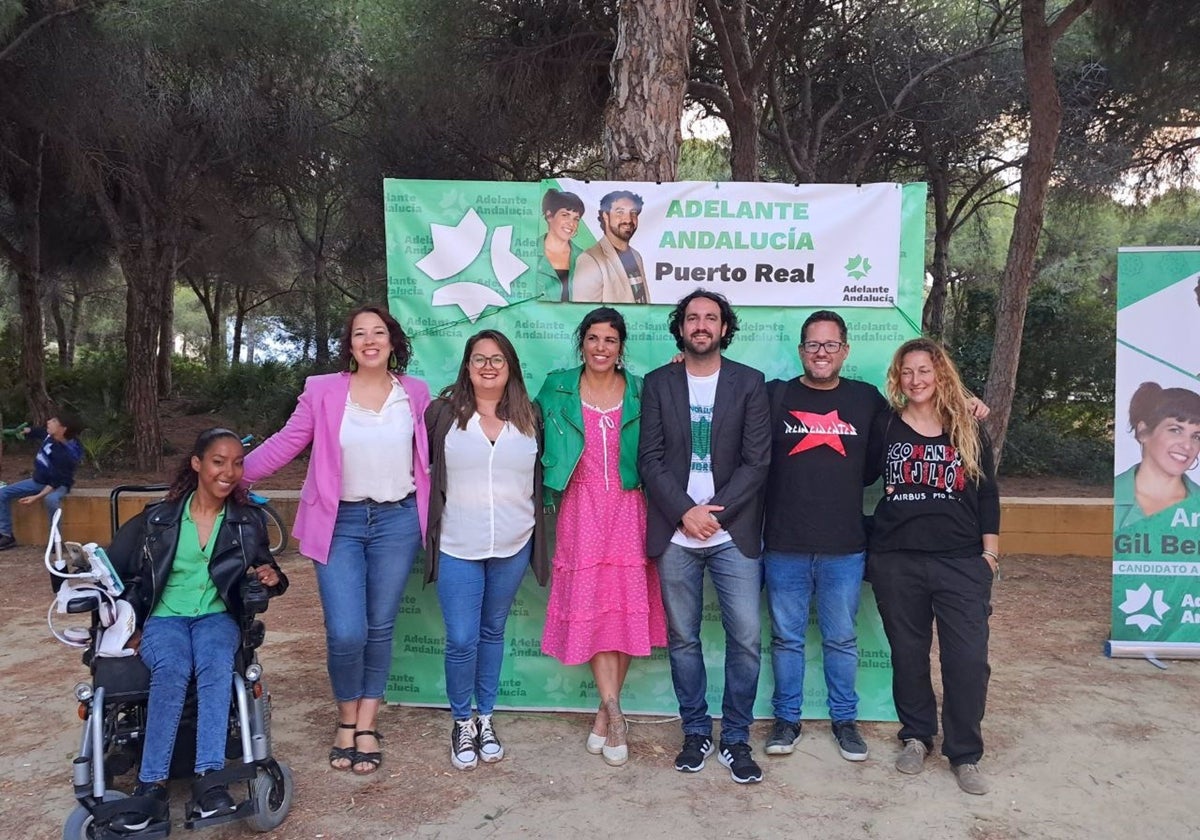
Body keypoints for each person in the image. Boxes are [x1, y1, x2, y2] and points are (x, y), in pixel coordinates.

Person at [243, 305, 430, 775]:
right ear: (350, 345)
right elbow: (286, 443)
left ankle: (366, 721)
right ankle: (345, 715)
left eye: (379, 332)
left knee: (381, 626)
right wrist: (226, 477)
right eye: (360, 334)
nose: (370, 340)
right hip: (339, 523)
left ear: (393, 341)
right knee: (347, 631)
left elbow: (438, 452)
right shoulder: (323, 391)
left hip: (398, 521)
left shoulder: (416, 393)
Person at [106, 428, 287, 831]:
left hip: (216, 616)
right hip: (165, 617)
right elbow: (115, 571)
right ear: (197, 464)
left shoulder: (246, 521)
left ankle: (209, 781)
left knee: (214, 661)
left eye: (237, 463)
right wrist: (125, 620)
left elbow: (267, 571)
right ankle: (150, 785)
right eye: (219, 462)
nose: (229, 471)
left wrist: (269, 575)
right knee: (171, 667)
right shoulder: (158, 518)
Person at [637, 290, 771, 785]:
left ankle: (736, 738)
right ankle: (695, 731)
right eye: (692, 317)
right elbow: (648, 458)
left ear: (723, 328)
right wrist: (684, 513)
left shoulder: (749, 383)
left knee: (747, 640)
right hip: (676, 535)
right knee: (683, 639)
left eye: (710, 318)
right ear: (681, 327)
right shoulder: (658, 383)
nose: (701, 325)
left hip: (731, 532)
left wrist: (712, 515)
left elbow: (758, 461)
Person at [866, 337, 1000, 796]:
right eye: (907, 372)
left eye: (924, 370)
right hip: (896, 560)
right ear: (897, 378)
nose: (916, 379)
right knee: (908, 654)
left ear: (940, 374)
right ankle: (917, 735)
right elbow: (856, 473)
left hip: (961, 561)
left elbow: (987, 493)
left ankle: (964, 753)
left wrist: (990, 554)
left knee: (966, 661)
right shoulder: (884, 424)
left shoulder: (967, 423)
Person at [536, 307, 668, 767]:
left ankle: (605, 715)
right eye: (593, 338)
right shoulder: (556, 386)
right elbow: (523, 426)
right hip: (580, 507)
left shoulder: (641, 389)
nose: (600, 348)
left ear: (621, 346)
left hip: (631, 506)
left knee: (624, 609)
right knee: (594, 607)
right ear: (582, 342)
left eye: (610, 340)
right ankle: (616, 712)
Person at [760, 311, 887, 763]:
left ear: (845, 351)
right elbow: (720, 396)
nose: (821, 353)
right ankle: (786, 720)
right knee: (787, 640)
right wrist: (682, 365)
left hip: (845, 546)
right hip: (783, 544)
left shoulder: (868, 400)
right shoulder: (775, 396)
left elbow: (912, 423)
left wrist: (966, 403)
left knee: (840, 640)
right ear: (801, 351)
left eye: (831, 345)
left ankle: (845, 722)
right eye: (813, 345)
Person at [425, 329, 549, 771]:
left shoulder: (531, 416)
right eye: (479, 359)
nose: (489, 366)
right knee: (462, 638)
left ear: (510, 365)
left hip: (514, 543)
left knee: (493, 631)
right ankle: (462, 721)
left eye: (497, 359)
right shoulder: (442, 415)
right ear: (467, 366)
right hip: (459, 543)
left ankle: (486, 717)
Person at [1114, 382, 1200, 529]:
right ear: (1143, 432)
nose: (1187, 445)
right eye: (1175, 430)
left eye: (1196, 436)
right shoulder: (1111, 494)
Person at [0, 410, 84, 551]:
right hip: (38, 481)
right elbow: (38, 432)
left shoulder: (67, 454)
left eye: (54, 421)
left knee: (50, 499)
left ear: (63, 429)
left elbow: (55, 482)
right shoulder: (50, 436)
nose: (48, 422)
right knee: (2, 493)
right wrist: (22, 431)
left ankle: (55, 541)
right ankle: (6, 535)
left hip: (59, 485)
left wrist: (36, 497)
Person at [572, 190, 649, 304]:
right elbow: (584, 312)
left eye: (633, 212)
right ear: (605, 216)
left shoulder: (636, 256)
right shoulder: (590, 259)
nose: (628, 219)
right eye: (620, 212)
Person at [538, 189, 585, 302]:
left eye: (576, 219)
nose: (571, 223)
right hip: (534, 320)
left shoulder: (584, 258)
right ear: (549, 215)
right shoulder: (528, 251)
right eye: (565, 215)